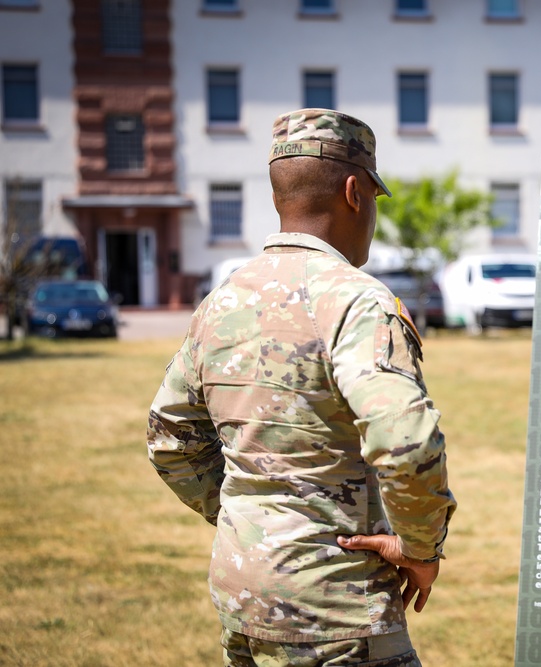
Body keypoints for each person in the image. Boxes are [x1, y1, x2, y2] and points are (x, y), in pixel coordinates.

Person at [147, 108, 457, 667]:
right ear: (353, 193)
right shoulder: (359, 302)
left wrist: (252, 520)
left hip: (245, 597)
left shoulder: (222, 303)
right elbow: (407, 442)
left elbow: (170, 437)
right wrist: (419, 548)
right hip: (337, 613)